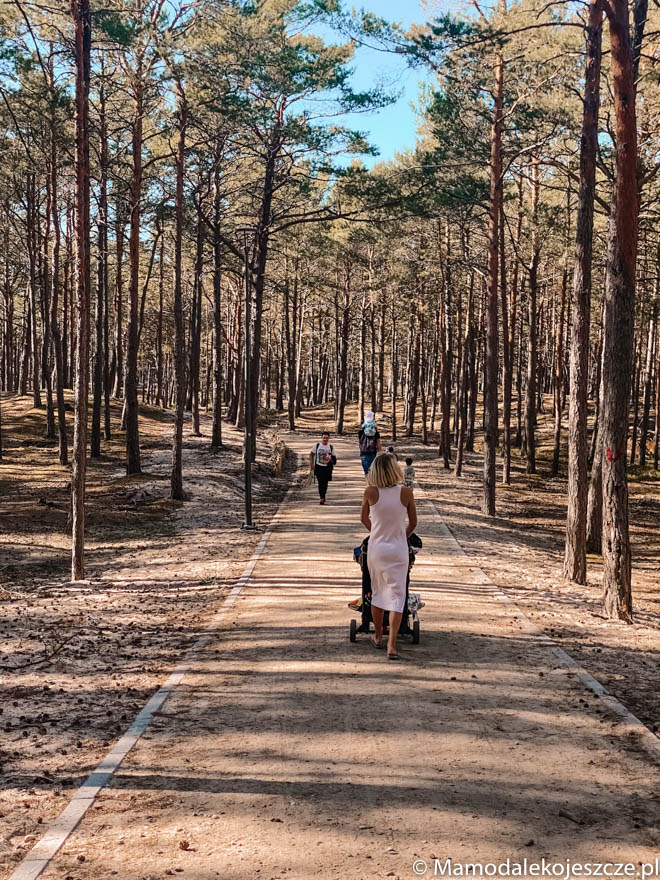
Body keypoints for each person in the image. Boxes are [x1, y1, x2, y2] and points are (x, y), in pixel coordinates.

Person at [360, 452, 417, 660]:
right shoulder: (406, 493)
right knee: (397, 596)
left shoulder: (370, 492)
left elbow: (363, 518)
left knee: (377, 592)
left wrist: (375, 532)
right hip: (399, 549)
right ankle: (392, 645)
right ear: (395, 470)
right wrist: (401, 535)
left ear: (375, 470)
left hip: (377, 549)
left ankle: (377, 635)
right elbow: (413, 523)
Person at [309, 431, 334, 505]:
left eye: (326, 438)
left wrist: (332, 460)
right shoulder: (317, 446)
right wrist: (311, 464)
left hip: (327, 468)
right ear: (321, 438)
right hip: (318, 466)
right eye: (324, 438)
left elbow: (334, 456)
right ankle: (322, 497)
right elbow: (311, 454)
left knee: (325, 483)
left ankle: (323, 495)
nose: (325, 439)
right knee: (320, 482)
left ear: (328, 438)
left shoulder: (330, 447)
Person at [358, 410, 382, 475]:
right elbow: (378, 444)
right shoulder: (376, 432)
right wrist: (380, 453)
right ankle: (372, 483)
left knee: (366, 472)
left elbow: (360, 442)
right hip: (373, 453)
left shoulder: (360, 432)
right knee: (373, 472)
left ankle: (368, 484)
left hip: (364, 453)